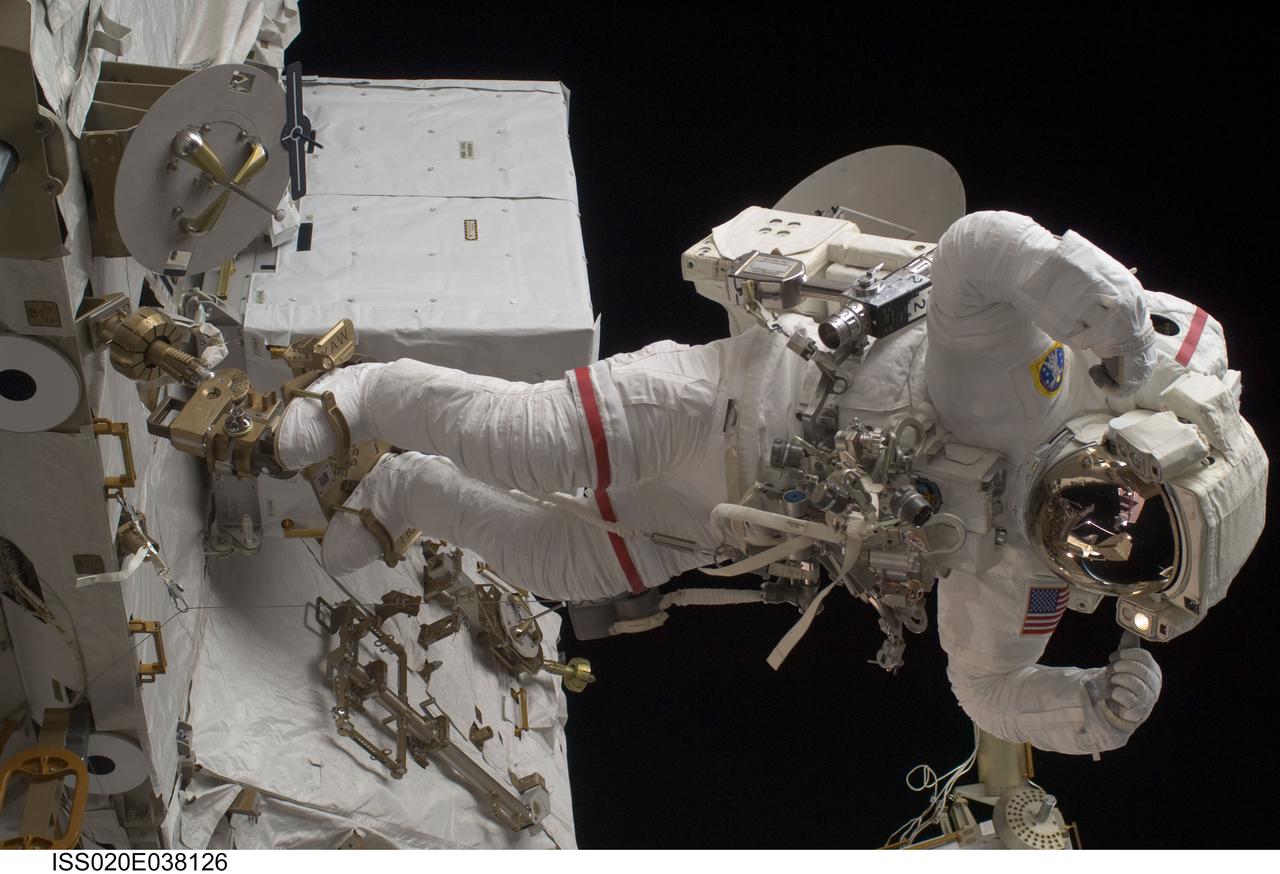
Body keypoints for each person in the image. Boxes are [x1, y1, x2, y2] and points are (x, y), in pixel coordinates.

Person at [274, 211, 1267, 755]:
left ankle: (398, 493)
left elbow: (985, 687)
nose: (1097, 528)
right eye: (1125, 503)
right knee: (527, 445)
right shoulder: (1021, 381)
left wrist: (1084, 711)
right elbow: (973, 250)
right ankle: (367, 391)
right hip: (714, 403)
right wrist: (1093, 305)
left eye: (1120, 552)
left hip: (724, 524)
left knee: (561, 564)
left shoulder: (1022, 579)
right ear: (1132, 446)